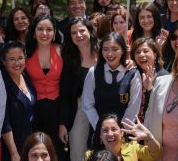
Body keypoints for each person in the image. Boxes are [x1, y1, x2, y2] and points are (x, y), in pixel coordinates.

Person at [82, 32, 142, 149]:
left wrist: (120, 132)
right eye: (105, 49)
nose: (110, 54)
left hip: (124, 133)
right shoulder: (93, 72)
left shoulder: (133, 74)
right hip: (98, 132)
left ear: (123, 50)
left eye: (115, 49)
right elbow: (88, 105)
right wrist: (101, 129)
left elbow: (133, 108)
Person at [25, 15, 65, 159]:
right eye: (40, 29)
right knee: (34, 150)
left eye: (49, 29)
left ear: (55, 33)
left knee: (55, 150)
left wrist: (63, 122)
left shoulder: (62, 50)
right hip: (33, 108)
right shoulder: (25, 52)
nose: (44, 33)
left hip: (56, 107)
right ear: (34, 32)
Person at [59, 17, 98, 161]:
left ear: (90, 31)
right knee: (77, 150)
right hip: (79, 108)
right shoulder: (69, 59)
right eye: (73, 33)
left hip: (102, 106)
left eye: (82, 30)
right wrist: (62, 124)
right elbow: (64, 93)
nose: (78, 35)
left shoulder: (104, 51)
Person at [1, 42, 37, 161]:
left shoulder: (25, 76)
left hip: (30, 141)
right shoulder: (2, 84)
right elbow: (5, 123)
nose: (17, 63)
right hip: (13, 145)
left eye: (20, 58)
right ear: (4, 62)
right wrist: (14, 152)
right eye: (11, 59)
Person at [130, 38, 169, 122]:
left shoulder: (164, 76)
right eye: (137, 52)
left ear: (155, 54)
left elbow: (162, 106)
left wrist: (149, 89)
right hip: (133, 124)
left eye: (145, 51)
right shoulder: (133, 74)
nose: (141, 55)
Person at [95, 113, 162, 161]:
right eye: (105, 130)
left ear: (122, 132)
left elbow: (155, 153)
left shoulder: (132, 148)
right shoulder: (91, 155)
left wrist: (148, 136)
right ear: (100, 135)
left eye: (114, 129)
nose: (110, 134)